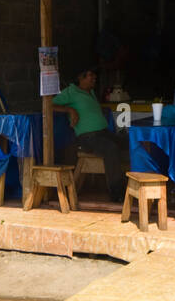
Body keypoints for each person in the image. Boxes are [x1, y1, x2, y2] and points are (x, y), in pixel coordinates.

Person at [52, 65, 126, 201]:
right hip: (88, 138)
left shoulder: (90, 92)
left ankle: (132, 185)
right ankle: (117, 193)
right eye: (91, 75)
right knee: (111, 149)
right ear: (81, 78)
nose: (95, 78)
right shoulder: (71, 92)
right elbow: (49, 104)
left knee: (128, 142)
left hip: (103, 133)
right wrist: (70, 110)